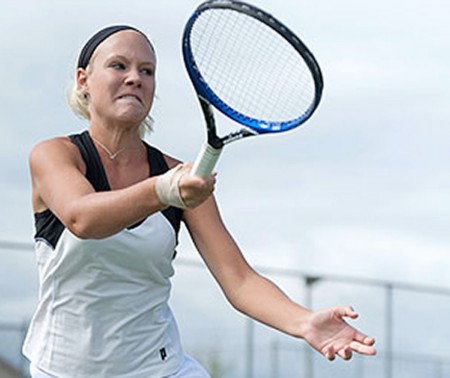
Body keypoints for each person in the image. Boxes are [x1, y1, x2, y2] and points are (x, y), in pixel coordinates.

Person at [22, 25, 376, 378]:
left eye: (147, 71)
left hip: (160, 369)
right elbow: (82, 218)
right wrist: (164, 190)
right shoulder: (55, 156)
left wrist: (304, 322)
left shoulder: (179, 178)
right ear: (83, 80)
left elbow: (238, 280)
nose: (135, 78)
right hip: (60, 370)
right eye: (119, 66)